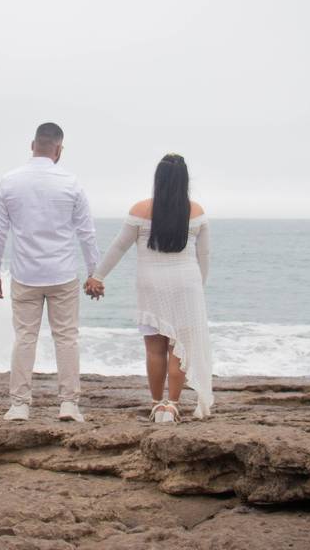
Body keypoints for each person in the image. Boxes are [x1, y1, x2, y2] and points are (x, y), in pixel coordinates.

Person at [0, 122, 102, 422]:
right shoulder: (71, 183)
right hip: (62, 273)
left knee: (25, 337)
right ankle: (68, 404)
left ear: (32, 144)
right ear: (58, 148)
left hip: (25, 274)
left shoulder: (8, 182)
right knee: (66, 338)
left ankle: (20, 405)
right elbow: (86, 233)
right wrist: (94, 272)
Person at [87, 153, 212, 422]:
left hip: (151, 285)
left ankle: (156, 404)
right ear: (185, 181)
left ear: (158, 179)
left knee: (155, 349)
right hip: (186, 285)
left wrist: (98, 275)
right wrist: (199, 286)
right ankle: (173, 405)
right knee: (179, 348)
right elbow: (204, 256)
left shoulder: (140, 210)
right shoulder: (197, 212)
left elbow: (119, 247)